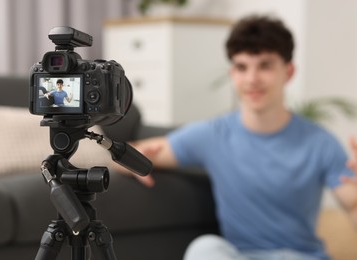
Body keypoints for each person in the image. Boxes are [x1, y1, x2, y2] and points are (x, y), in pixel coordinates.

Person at [117, 15, 357, 259]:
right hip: (240, 255)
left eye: (265, 66)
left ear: (289, 71)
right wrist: (131, 163)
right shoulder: (212, 135)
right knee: (204, 248)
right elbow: (126, 153)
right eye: (242, 67)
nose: (252, 79)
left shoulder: (321, 143)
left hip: (300, 256)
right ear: (232, 73)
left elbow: (353, 205)